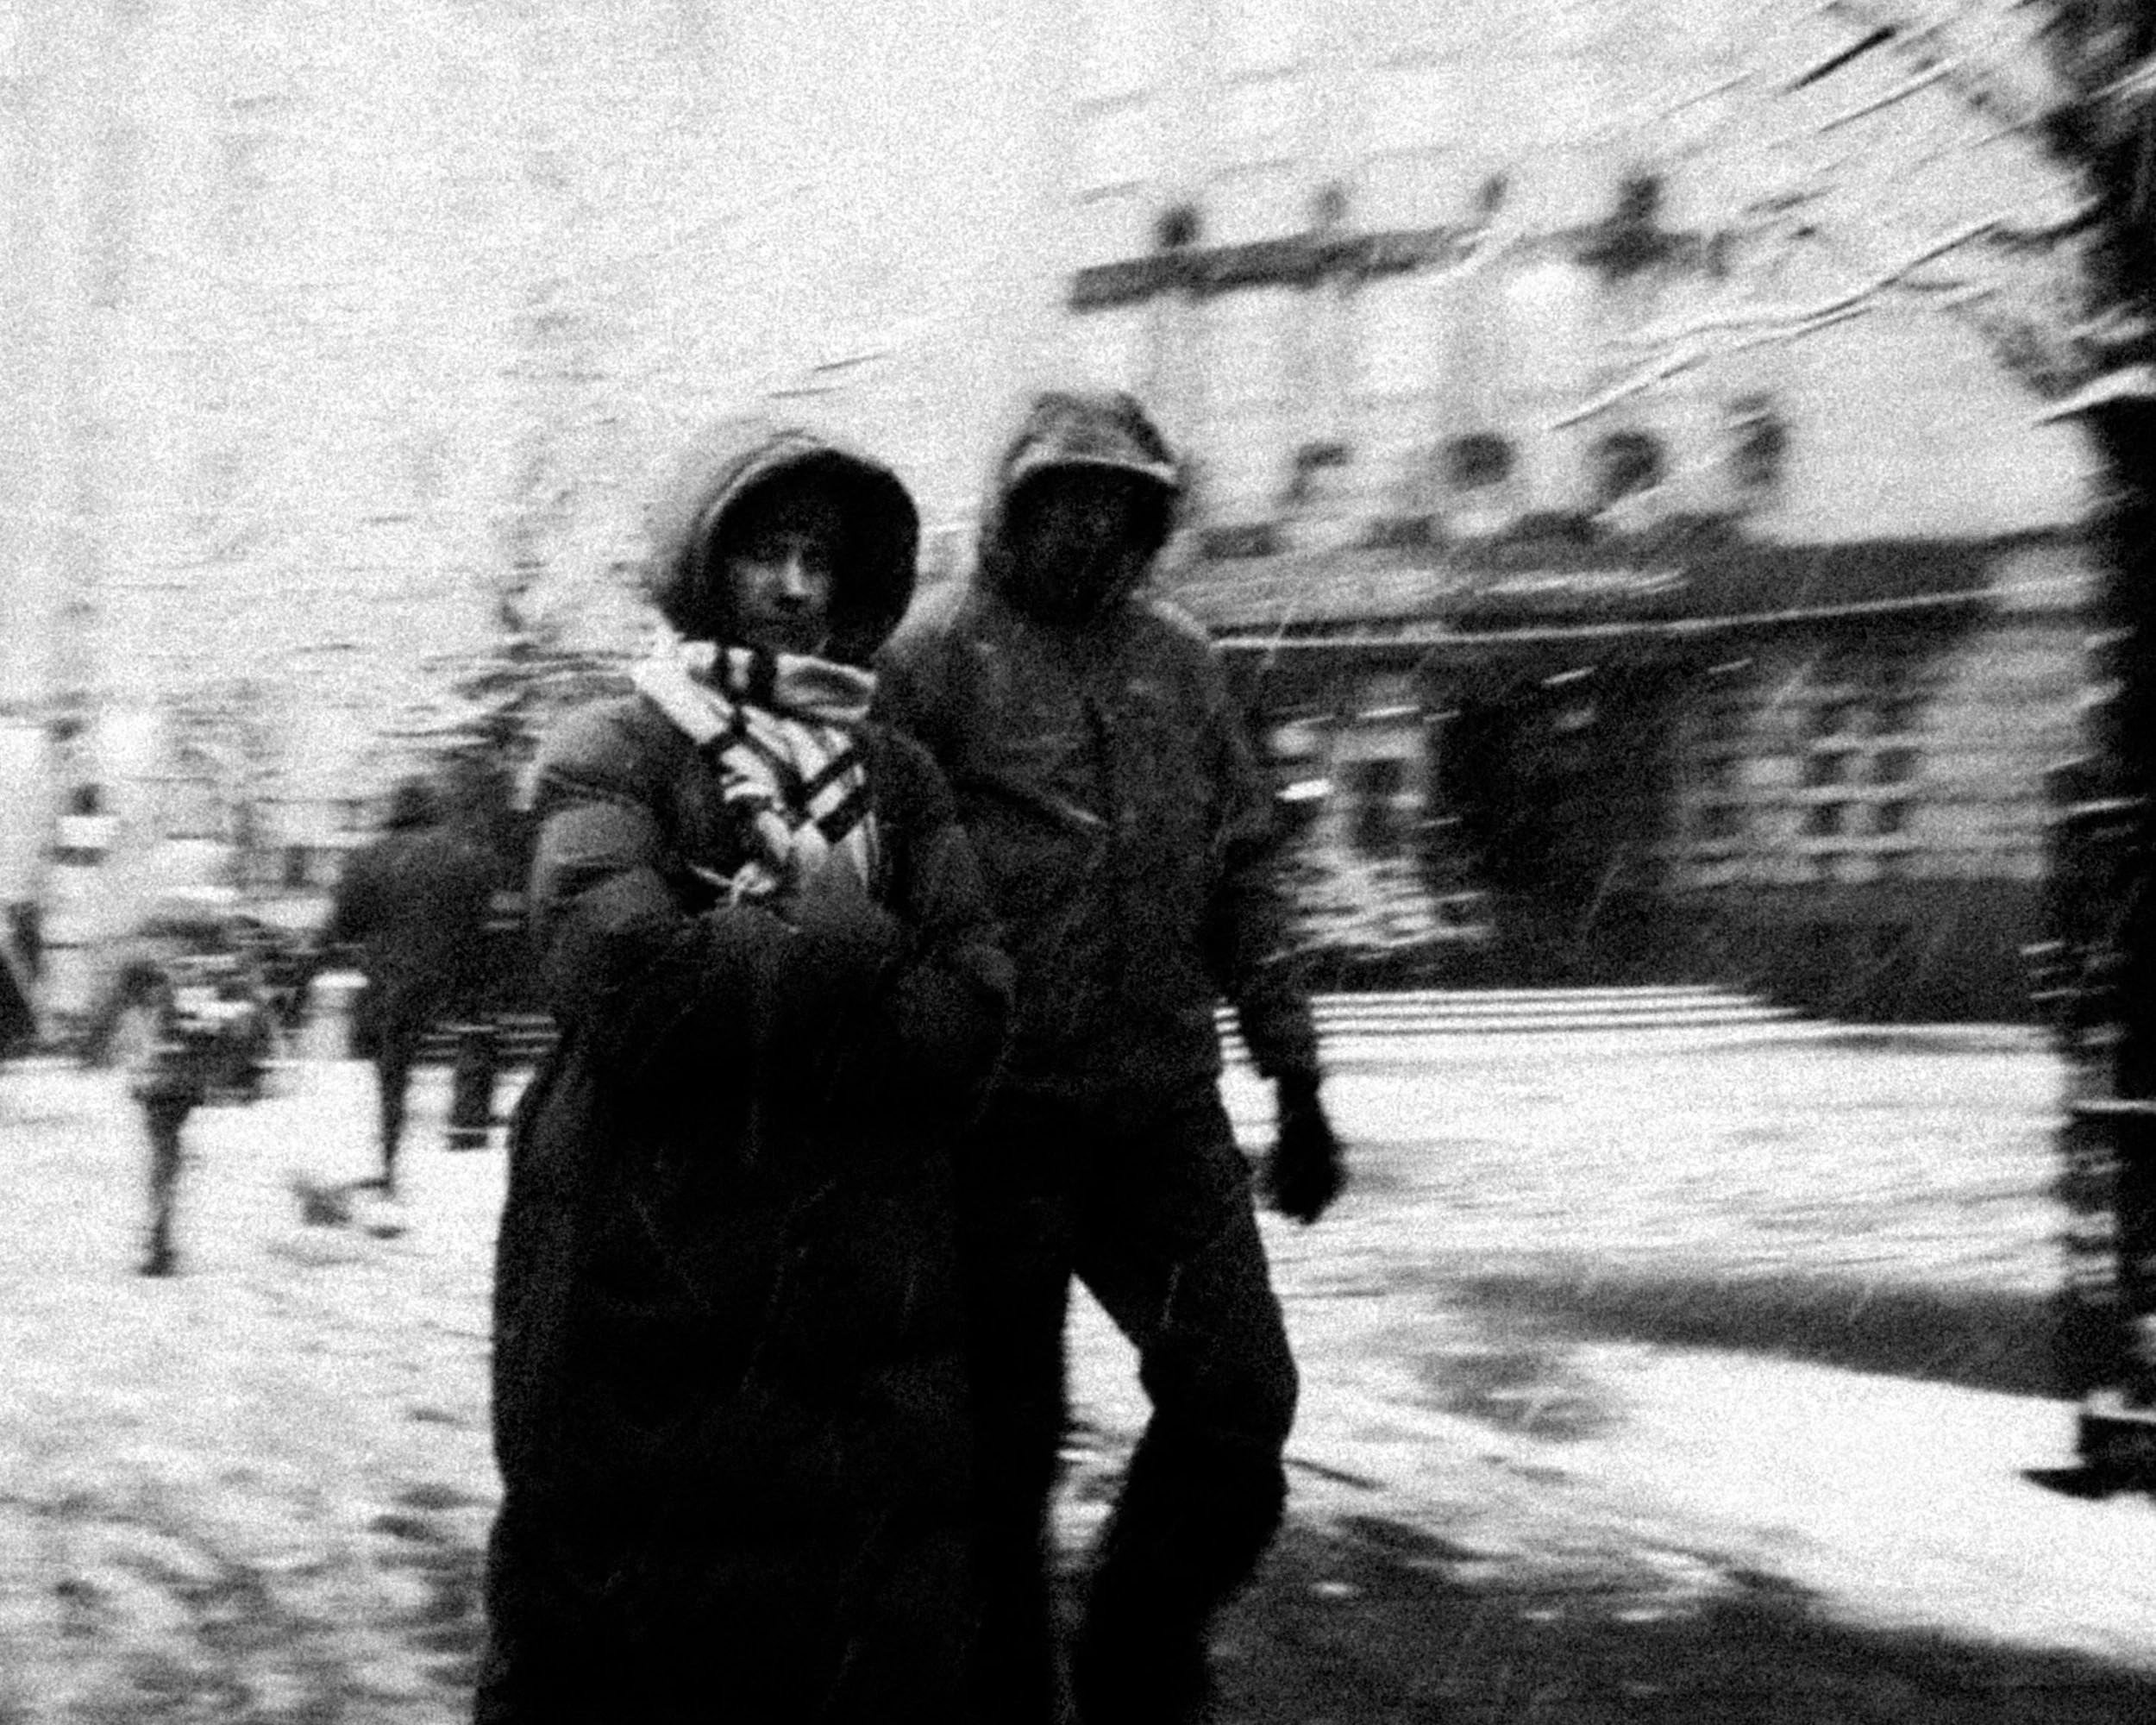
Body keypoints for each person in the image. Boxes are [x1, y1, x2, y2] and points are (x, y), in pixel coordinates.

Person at [473, 419, 1012, 1724]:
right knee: (610, 1640)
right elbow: (631, 993)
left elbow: (975, 1011)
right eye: (763, 551)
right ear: (701, 566)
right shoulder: (611, 748)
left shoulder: (901, 774)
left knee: (833, 1642)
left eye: (820, 559)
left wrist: (763, 950)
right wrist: (846, 941)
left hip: (854, 1298)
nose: (794, 586)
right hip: (646, 1278)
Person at [875, 387, 1348, 1725]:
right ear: (1013, 507)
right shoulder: (931, 659)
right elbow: (880, 884)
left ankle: (1136, 1642)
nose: (1090, 529)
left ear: (1150, 518)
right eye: (1062, 500)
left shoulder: (1182, 663)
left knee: (1241, 1401)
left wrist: (1297, 1080)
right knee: (1000, 1459)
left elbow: (1247, 868)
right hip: (993, 1125)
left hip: (1159, 1117)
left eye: (1117, 504)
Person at [320, 778, 503, 1190]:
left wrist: (312, 970)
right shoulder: (464, 854)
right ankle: (469, 1130)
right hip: (454, 982)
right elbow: (482, 912)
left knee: (393, 1072)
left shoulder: (369, 858)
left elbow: (342, 926)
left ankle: (389, 1163)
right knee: (475, 1036)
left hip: (393, 984)